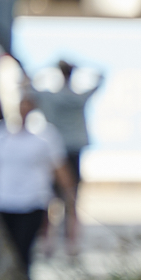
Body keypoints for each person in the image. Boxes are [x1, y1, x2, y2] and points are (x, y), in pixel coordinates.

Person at [0, 96, 71, 280]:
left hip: (32, 202)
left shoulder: (46, 135)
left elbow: (60, 169)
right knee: (3, 251)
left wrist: (69, 197)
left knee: (22, 251)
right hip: (2, 202)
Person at [31, 56, 103, 255]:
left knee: (50, 200)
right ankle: (71, 244)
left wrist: (46, 67)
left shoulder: (49, 98)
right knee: (71, 199)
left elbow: (27, 85)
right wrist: (83, 66)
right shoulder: (78, 98)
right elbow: (101, 78)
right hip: (71, 152)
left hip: (54, 152)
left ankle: (48, 243)